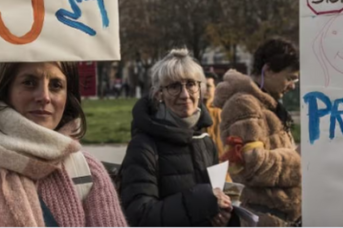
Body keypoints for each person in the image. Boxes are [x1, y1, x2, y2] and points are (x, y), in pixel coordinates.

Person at [0, 62, 127, 227]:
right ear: (5, 90)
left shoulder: (88, 172)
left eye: (56, 85)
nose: (44, 96)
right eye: (29, 82)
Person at [119, 49, 239, 227]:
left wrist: (225, 216)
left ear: (200, 89)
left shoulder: (206, 141)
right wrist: (200, 200)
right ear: (159, 94)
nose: (185, 95)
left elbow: (213, 200)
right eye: (174, 87)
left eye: (191, 84)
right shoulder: (143, 146)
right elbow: (138, 215)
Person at [214, 37, 301, 226]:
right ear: (267, 70)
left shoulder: (268, 105)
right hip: (265, 218)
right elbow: (252, 166)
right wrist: (300, 161)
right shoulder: (243, 105)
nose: (293, 85)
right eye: (289, 78)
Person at [203, 72, 232, 183]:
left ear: (215, 89)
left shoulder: (222, 112)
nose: (205, 89)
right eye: (203, 86)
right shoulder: (192, 113)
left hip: (222, 165)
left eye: (209, 86)